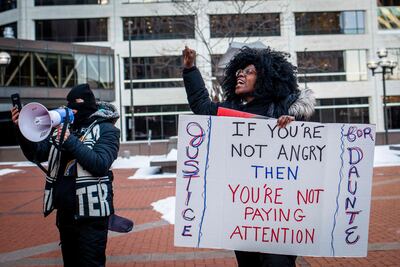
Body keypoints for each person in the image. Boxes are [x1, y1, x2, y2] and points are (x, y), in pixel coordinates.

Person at [182, 46, 315, 267]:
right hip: (245, 214)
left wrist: (294, 126)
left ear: (266, 78)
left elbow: (308, 151)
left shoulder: (284, 109)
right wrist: (190, 70)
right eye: (239, 71)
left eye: (249, 71)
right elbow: (202, 107)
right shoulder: (231, 110)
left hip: (279, 214)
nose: (241, 75)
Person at [11, 84, 120, 267]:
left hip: (92, 217)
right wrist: (22, 130)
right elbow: (37, 154)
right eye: (69, 104)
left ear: (89, 104)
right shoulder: (61, 128)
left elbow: (100, 164)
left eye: (77, 103)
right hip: (66, 216)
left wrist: (70, 140)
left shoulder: (107, 130)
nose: (72, 108)